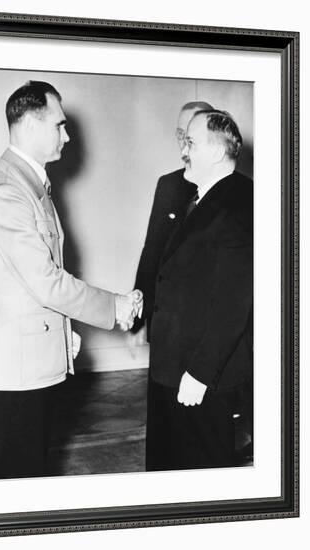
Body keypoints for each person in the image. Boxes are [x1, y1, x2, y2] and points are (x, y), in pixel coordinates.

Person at [0, 80, 142, 479]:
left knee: (31, 466)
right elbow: (45, 282)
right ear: (30, 125)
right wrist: (116, 306)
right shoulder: (8, 189)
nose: (68, 135)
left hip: (30, 360)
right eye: (59, 125)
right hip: (17, 372)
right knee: (16, 475)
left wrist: (63, 331)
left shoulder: (27, 183)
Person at [145, 109, 253, 471]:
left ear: (217, 152)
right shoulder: (202, 198)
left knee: (201, 475)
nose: (183, 152)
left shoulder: (238, 203)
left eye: (190, 143)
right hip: (174, 367)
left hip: (198, 377)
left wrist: (200, 373)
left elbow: (234, 303)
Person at [132, 101, 213, 339]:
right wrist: (139, 314)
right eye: (180, 135)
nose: (183, 144)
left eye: (190, 136)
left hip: (207, 323)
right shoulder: (168, 185)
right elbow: (152, 250)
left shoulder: (239, 190)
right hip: (167, 320)